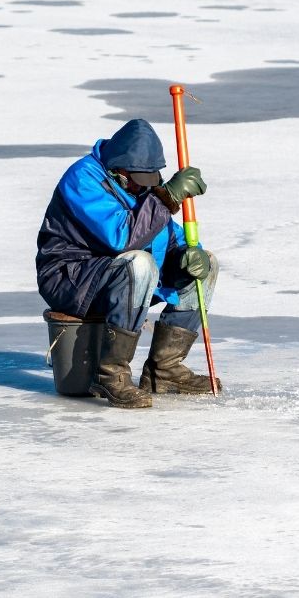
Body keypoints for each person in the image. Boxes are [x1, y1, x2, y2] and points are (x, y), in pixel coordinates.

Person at [36, 118, 221, 409]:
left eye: (147, 182)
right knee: (138, 263)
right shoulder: (83, 179)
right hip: (70, 277)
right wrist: (167, 198)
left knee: (205, 265)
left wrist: (186, 251)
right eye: (134, 179)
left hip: (117, 274)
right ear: (117, 168)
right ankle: (111, 374)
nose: (139, 188)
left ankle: (165, 370)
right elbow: (122, 237)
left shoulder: (144, 188)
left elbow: (163, 233)